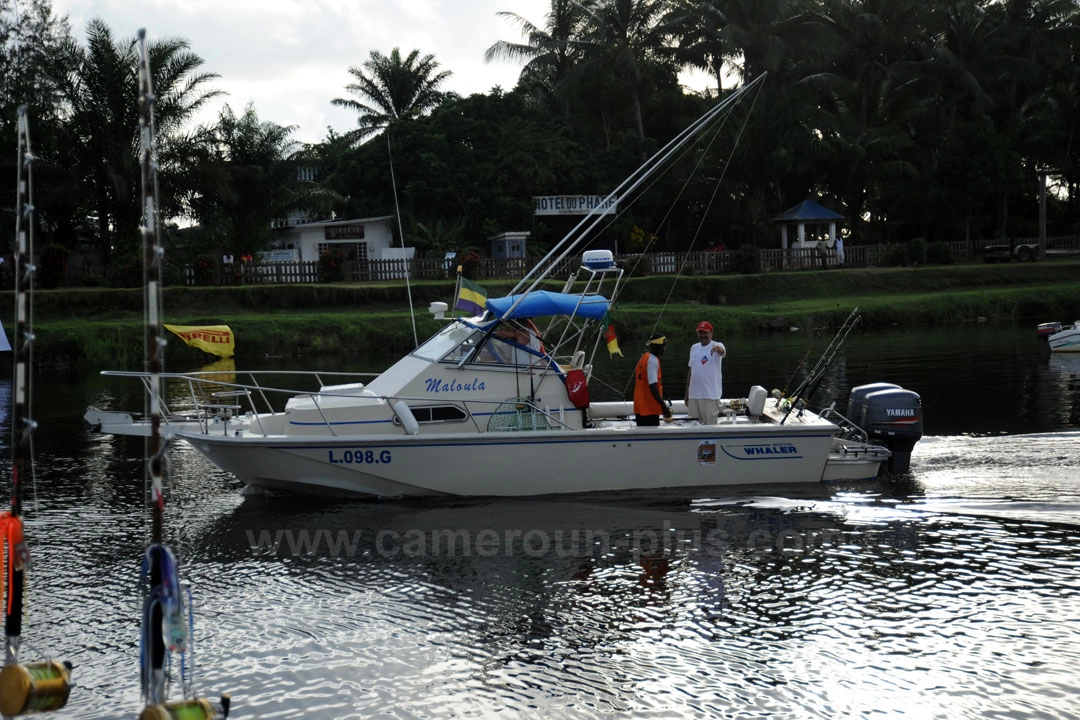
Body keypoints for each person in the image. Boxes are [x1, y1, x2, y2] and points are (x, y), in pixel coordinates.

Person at [684, 321, 726, 424]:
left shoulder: (717, 345)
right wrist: (687, 394)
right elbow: (691, 371)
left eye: (705, 332)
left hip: (710, 396)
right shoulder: (694, 348)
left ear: (711, 332)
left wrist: (718, 349)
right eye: (700, 332)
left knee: (709, 428)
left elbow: (722, 352)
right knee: (692, 426)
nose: (702, 335)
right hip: (694, 395)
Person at [634, 333, 672, 426]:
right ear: (654, 346)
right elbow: (653, 386)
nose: (664, 348)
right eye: (662, 346)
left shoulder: (645, 356)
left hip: (640, 405)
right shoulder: (652, 361)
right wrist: (663, 405)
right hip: (649, 408)